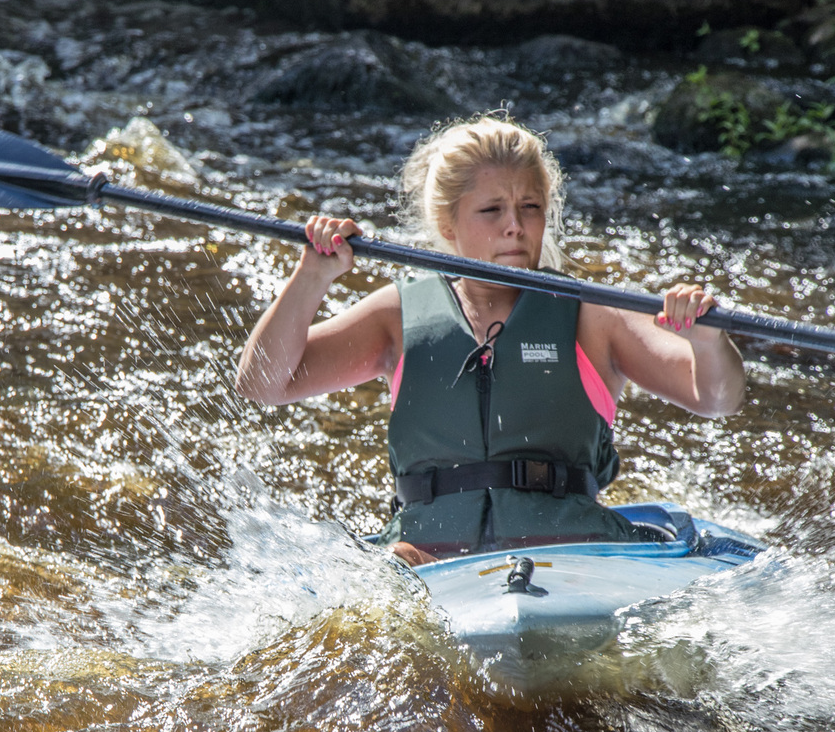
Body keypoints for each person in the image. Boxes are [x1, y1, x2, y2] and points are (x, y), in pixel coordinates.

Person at [235, 114, 745, 566]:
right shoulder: (397, 314)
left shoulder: (592, 314)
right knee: (395, 562)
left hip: (572, 551)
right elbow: (262, 384)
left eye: (530, 207)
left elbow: (716, 398)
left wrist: (706, 341)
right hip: (429, 556)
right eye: (492, 210)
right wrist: (311, 278)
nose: (515, 227)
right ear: (447, 223)